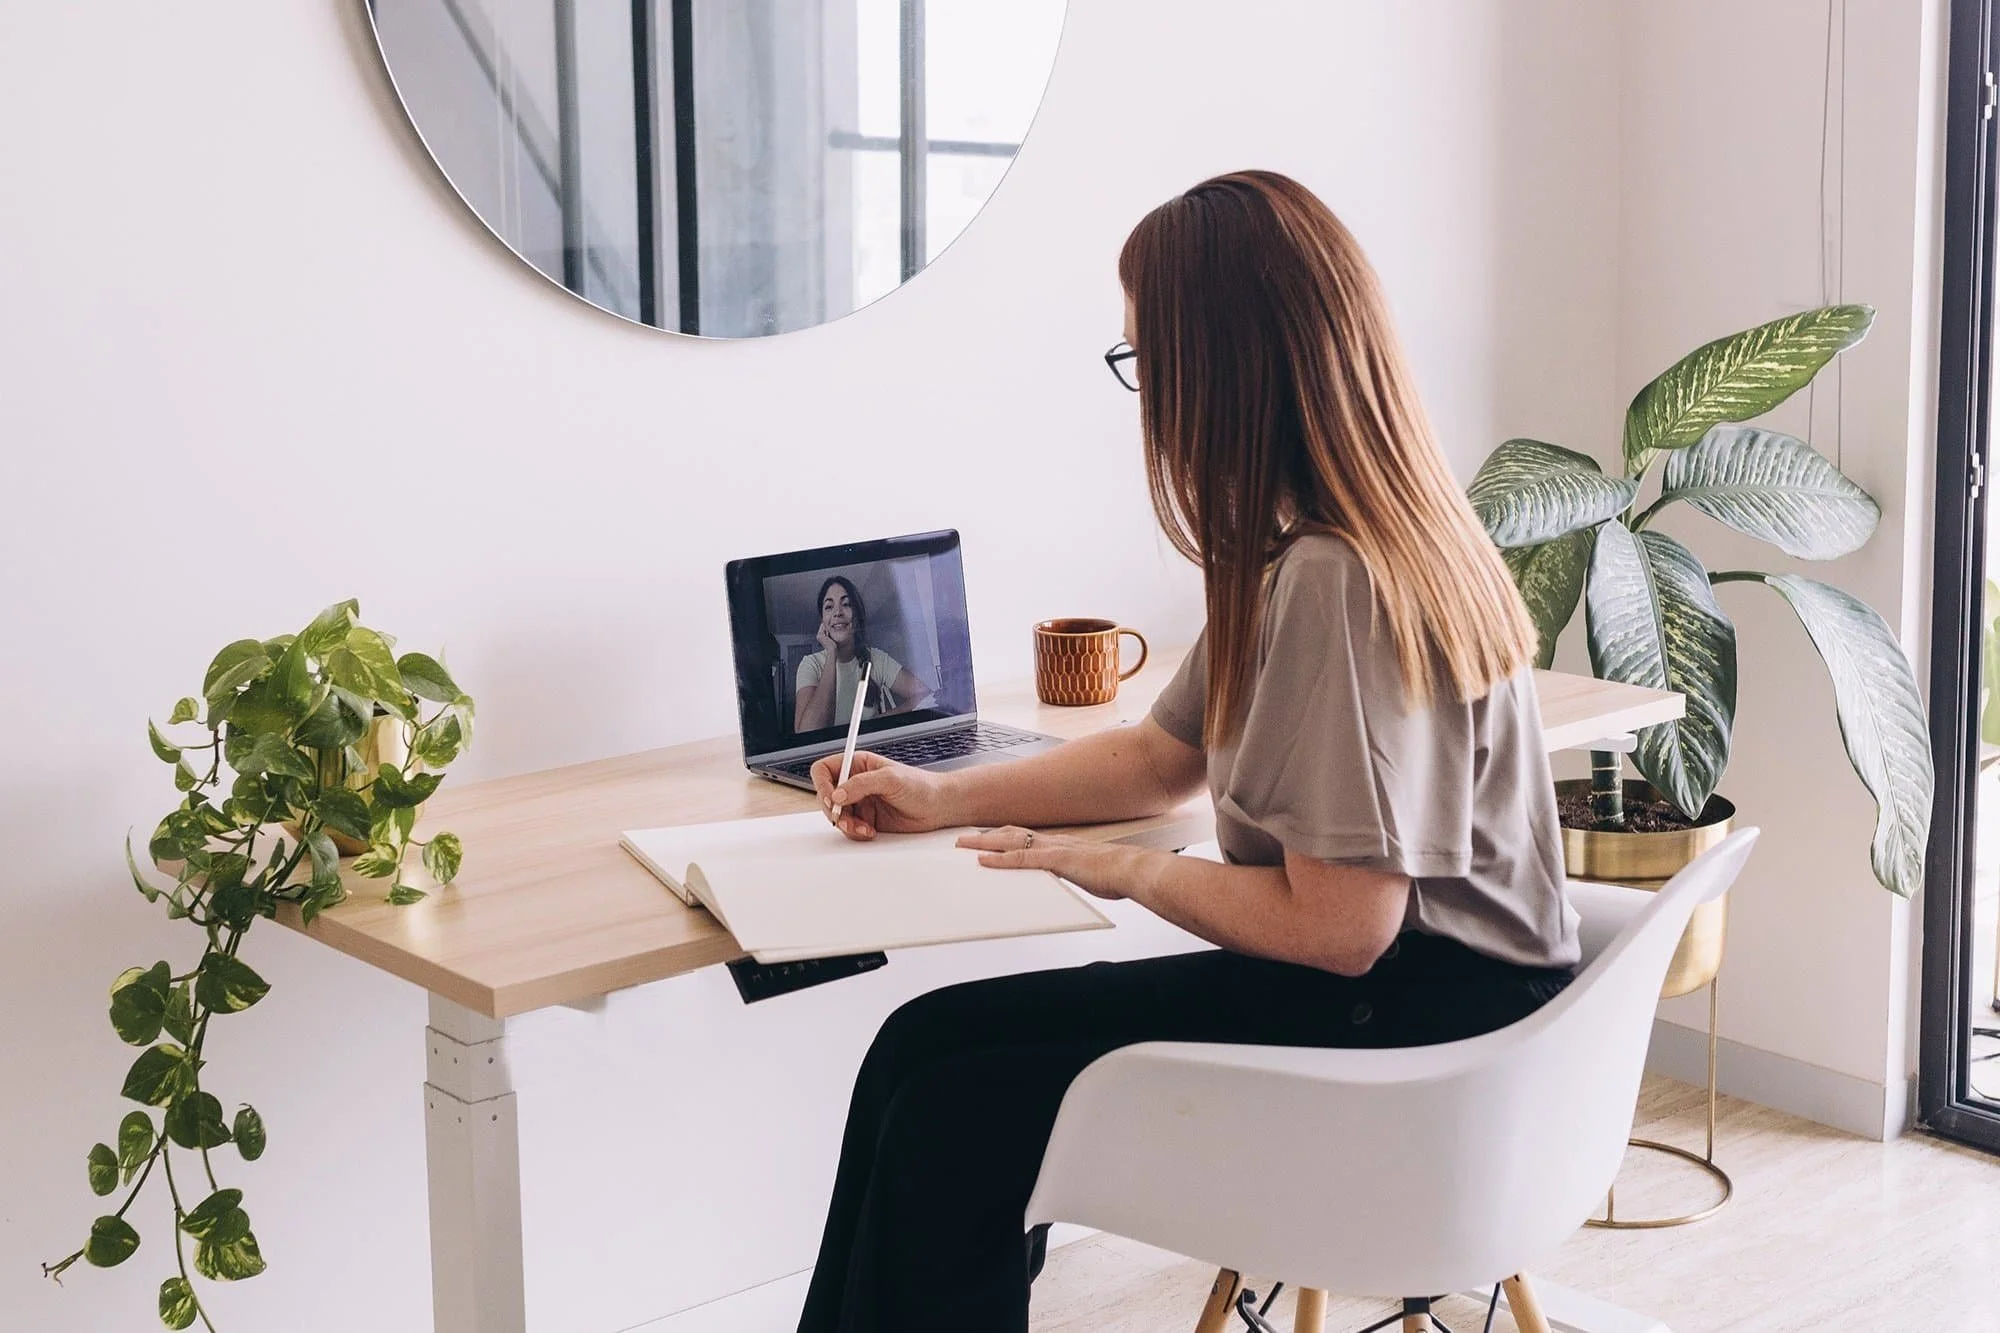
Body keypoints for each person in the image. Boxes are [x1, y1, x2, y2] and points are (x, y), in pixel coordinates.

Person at [795, 170, 1581, 1333]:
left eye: (1145, 364)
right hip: (1431, 999)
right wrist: (937, 794)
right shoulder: (1321, 540)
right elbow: (1158, 760)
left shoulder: (1336, 578)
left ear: (1224, 368)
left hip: (1423, 1037)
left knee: (951, 1102)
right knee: (918, 1047)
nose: (1146, 398)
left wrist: (1121, 871)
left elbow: (1340, 928)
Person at [793, 574, 935, 733]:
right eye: (829, 607)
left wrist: (878, 721)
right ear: (823, 620)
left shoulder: (877, 658)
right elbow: (807, 732)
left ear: (857, 616)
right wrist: (831, 652)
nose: (837, 612)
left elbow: (926, 696)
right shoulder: (810, 664)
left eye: (846, 604)